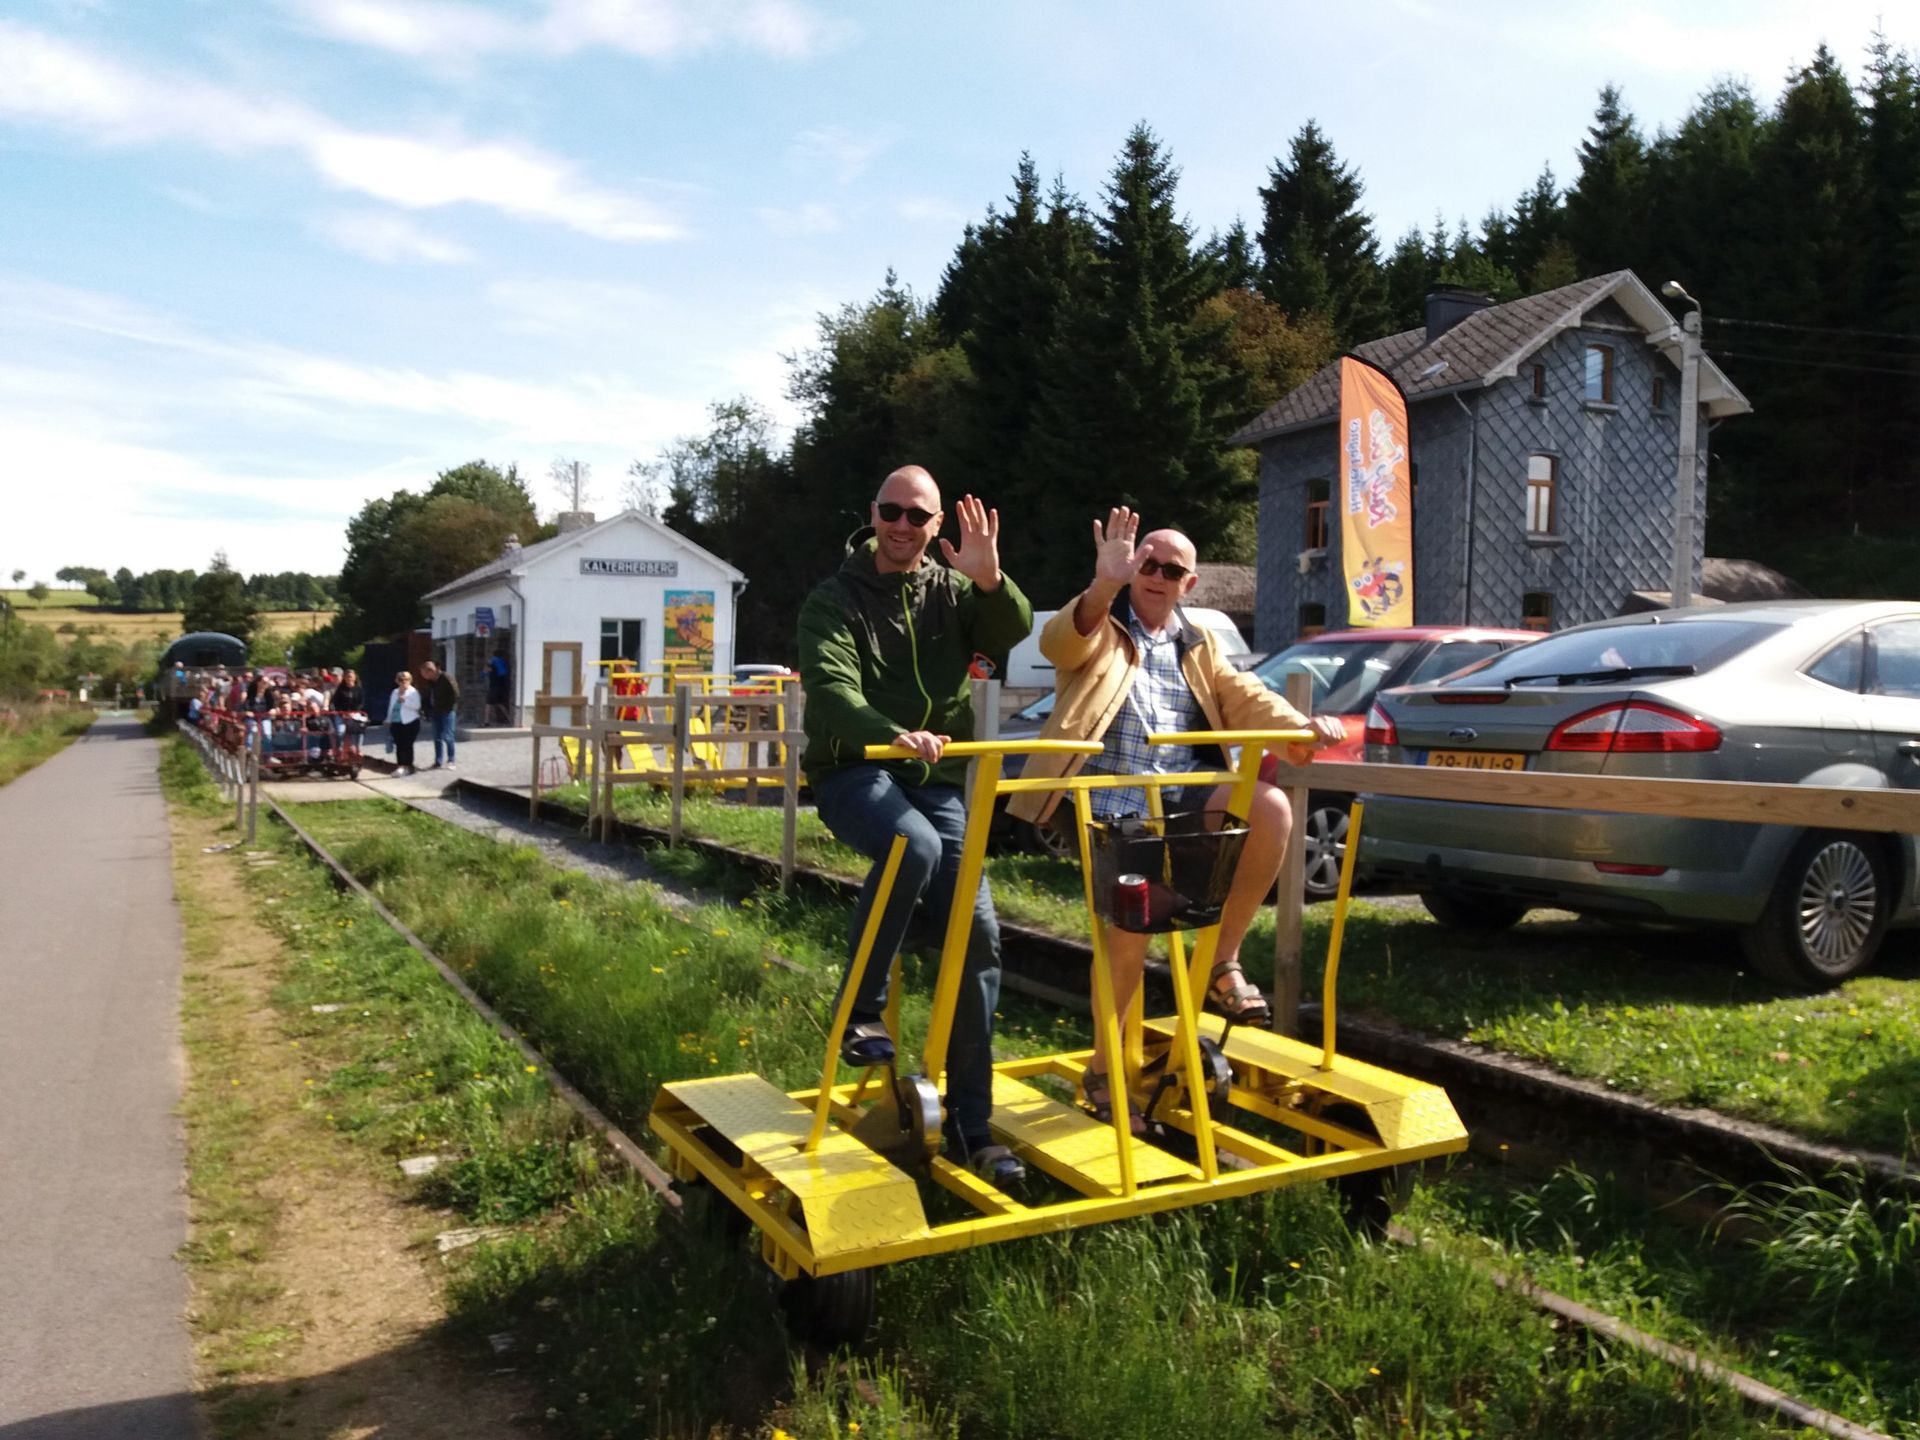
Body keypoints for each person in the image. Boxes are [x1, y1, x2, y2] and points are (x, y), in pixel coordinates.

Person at [1007, 507, 1345, 1126]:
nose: (1157, 575)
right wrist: (1103, 583)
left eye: (1172, 569)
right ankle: (1106, 1073)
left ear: (1190, 584)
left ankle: (1221, 959)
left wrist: (1300, 728)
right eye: (1148, 565)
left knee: (1268, 808)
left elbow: (1245, 696)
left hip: (1181, 801)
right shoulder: (1103, 623)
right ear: (1133, 570)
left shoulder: (1199, 643)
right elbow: (1060, 641)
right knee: (1127, 943)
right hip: (1114, 809)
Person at [797, 465, 1034, 1185]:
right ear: (873, 514)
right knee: (913, 844)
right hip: (854, 769)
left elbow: (1010, 630)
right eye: (892, 512)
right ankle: (861, 1009)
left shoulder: (953, 592)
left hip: (934, 779)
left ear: (936, 529)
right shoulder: (832, 601)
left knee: (979, 935)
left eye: (918, 517)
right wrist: (889, 730)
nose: (903, 526)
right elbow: (830, 686)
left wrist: (992, 581)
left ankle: (971, 1124)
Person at [420, 660, 459, 769]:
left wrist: (447, 707)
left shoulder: (446, 678)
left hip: (447, 711)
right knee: (437, 737)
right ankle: (438, 761)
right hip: (435, 711)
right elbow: (426, 697)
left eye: (424, 673)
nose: (424, 676)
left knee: (448, 736)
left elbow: (455, 694)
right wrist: (426, 710)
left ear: (430, 671)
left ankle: (451, 760)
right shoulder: (430, 682)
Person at [386, 670, 422, 775]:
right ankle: (400, 766)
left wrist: (405, 701)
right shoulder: (395, 692)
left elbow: (417, 706)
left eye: (406, 679)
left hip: (410, 722)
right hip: (396, 721)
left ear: (410, 680)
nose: (403, 682)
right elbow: (391, 707)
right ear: (397, 681)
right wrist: (388, 719)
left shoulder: (413, 692)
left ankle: (408, 766)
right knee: (399, 744)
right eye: (400, 680)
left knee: (407, 745)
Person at [485, 650, 511, 726]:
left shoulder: (492, 663)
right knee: (500, 704)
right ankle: (509, 719)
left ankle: (486, 722)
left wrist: (487, 666)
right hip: (501, 687)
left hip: (493, 687)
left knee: (488, 704)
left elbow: (485, 672)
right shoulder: (502, 663)